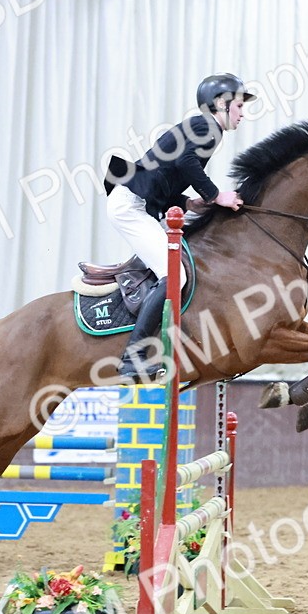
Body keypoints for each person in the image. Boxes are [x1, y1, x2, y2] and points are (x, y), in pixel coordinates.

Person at [105, 73, 255, 383]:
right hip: (129, 206)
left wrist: (189, 203)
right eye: (239, 106)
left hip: (137, 201)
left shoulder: (202, 129)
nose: (242, 114)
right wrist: (215, 195)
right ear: (221, 104)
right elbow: (187, 162)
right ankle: (132, 358)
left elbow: (170, 172)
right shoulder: (208, 128)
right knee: (175, 274)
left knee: (177, 270)